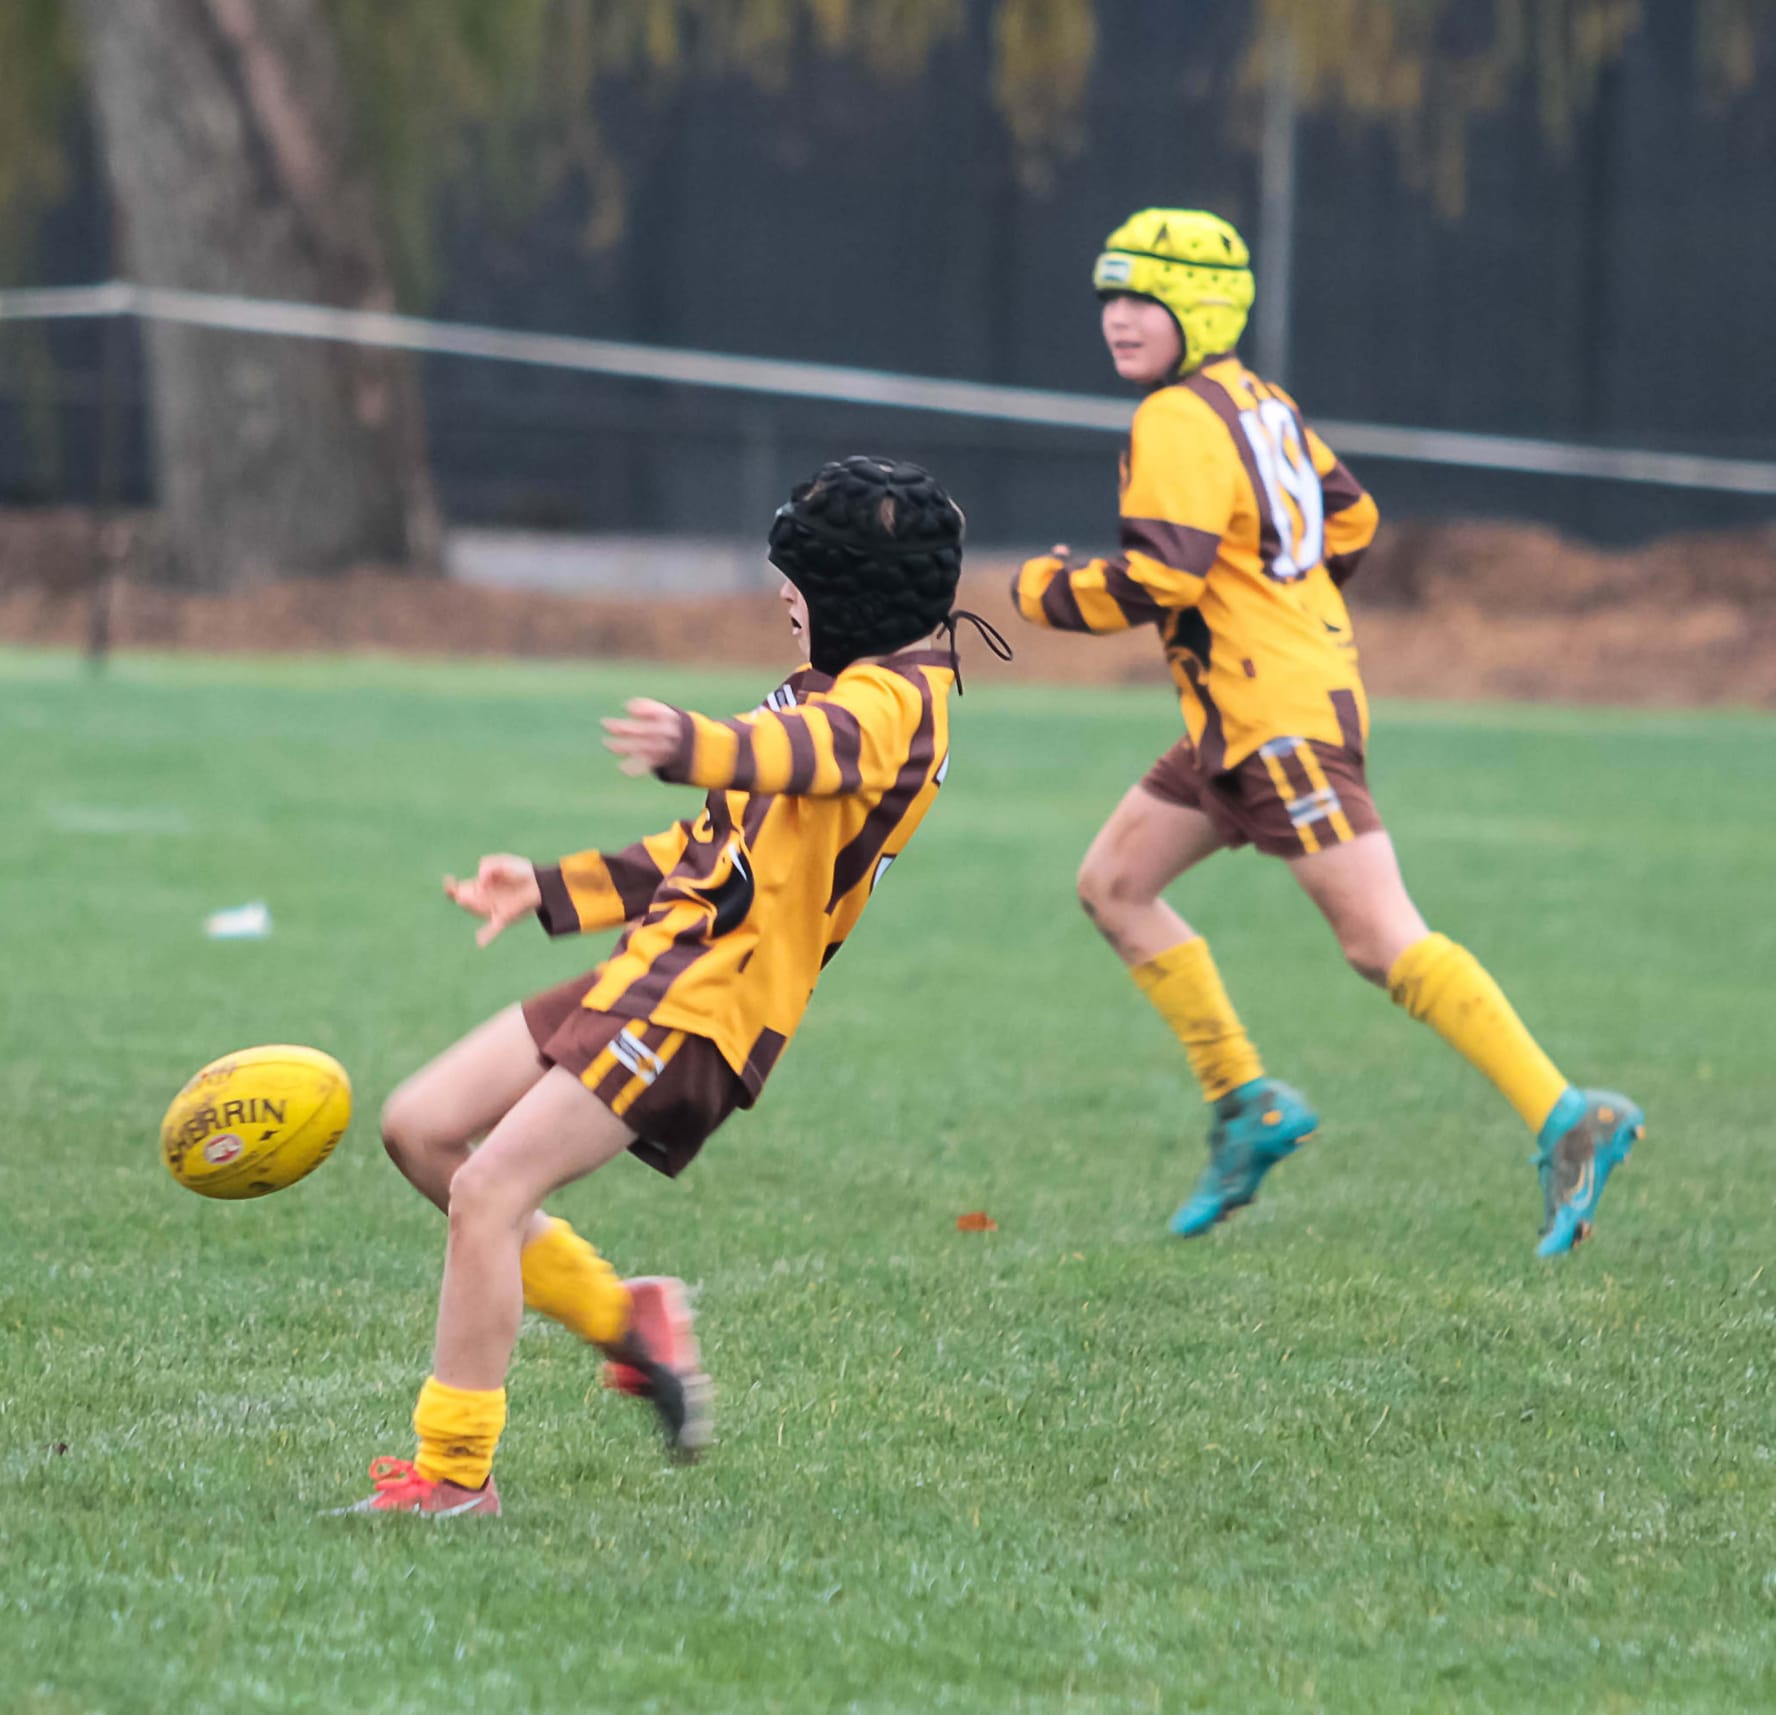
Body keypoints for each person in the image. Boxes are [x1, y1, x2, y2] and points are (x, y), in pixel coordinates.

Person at [342, 455, 1002, 1517]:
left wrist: (702, 742)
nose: (782, 603)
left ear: (846, 594)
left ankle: (454, 1473)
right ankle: (630, 1319)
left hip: (705, 1005)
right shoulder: (831, 685)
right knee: (420, 1127)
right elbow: (709, 840)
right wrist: (549, 886)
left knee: (489, 1190)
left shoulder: (890, 706)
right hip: (651, 970)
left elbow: (802, 751)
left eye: (796, 587)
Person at [1011, 207, 1643, 1257]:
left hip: (1274, 718)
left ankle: (1568, 1115)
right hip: (1242, 712)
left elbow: (1157, 575)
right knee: (1114, 883)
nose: (1117, 318)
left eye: (1141, 297)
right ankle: (1246, 1104)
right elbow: (1348, 517)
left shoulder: (1175, 416)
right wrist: (1282, 600)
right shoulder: (1258, 403)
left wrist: (1039, 589)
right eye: (1109, 297)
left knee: (1378, 938)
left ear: (1195, 305)